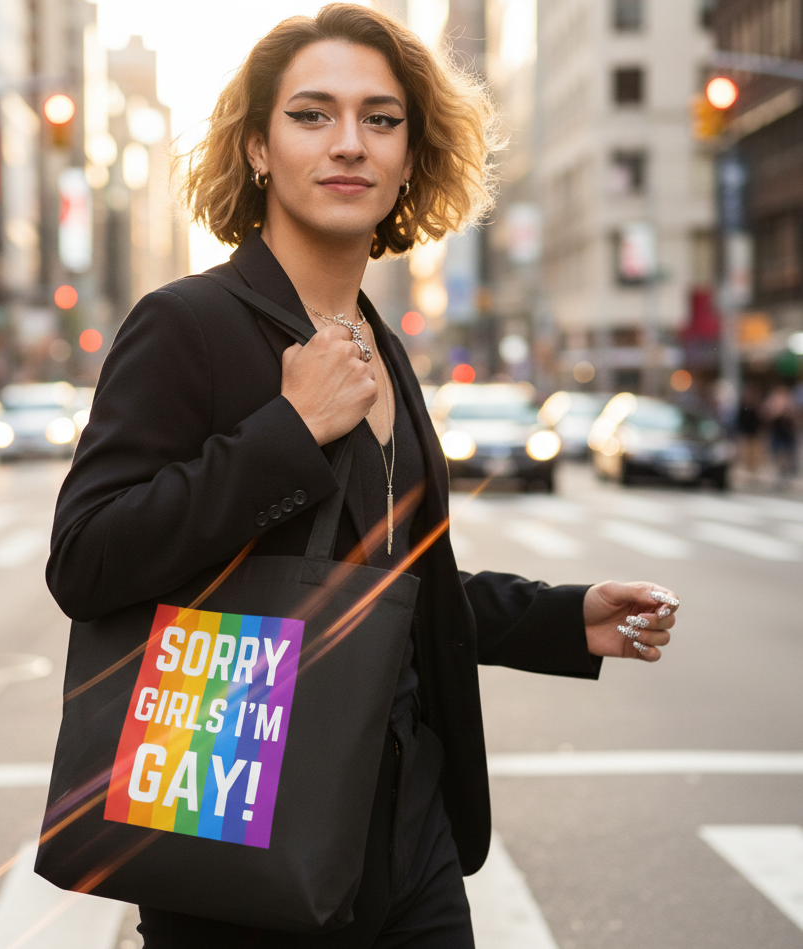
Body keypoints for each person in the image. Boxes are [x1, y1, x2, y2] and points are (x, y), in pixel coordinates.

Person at [45, 6, 679, 946]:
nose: (349, 143)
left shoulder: (383, 347)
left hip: (406, 830)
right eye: (311, 114)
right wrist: (289, 430)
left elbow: (382, 585)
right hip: (242, 827)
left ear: (410, 157)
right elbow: (86, 559)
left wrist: (560, 616)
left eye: (381, 119)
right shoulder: (187, 324)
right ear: (257, 147)